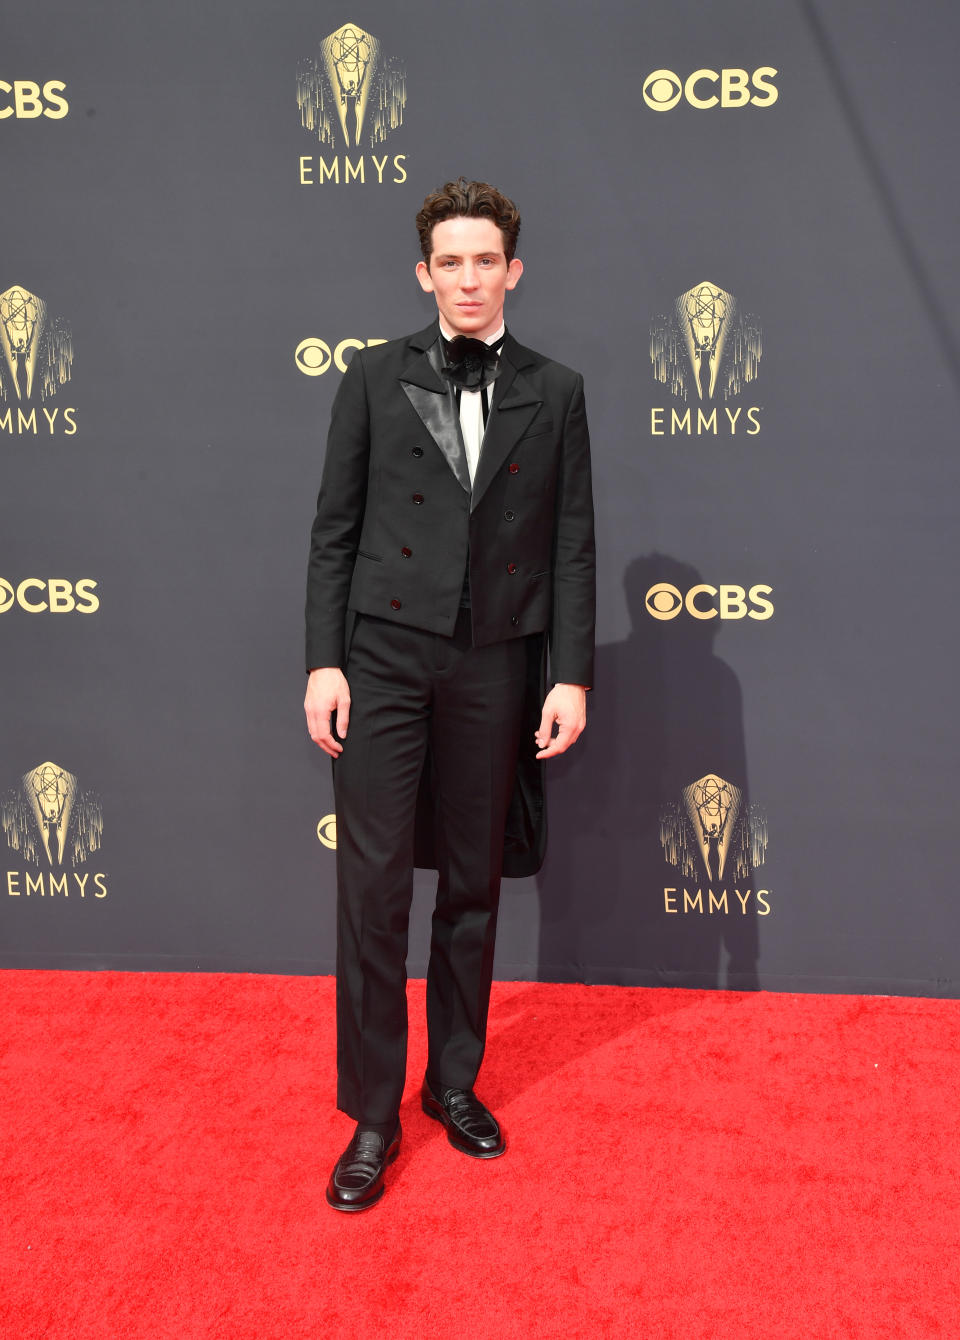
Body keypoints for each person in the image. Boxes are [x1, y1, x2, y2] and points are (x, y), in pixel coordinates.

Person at [304, 178, 595, 1211]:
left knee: (471, 881)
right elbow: (334, 528)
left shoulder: (557, 390)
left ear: (512, 270)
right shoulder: (373, 378)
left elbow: (569, 543)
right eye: (450, 262)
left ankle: (454, 1080)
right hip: (382, 657)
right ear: (423, 272)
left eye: (486, 261)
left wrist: (568, 672)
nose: (468, 279)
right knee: (375, 886)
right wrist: (323, 659)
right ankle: (373, 1114)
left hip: (495, 662)